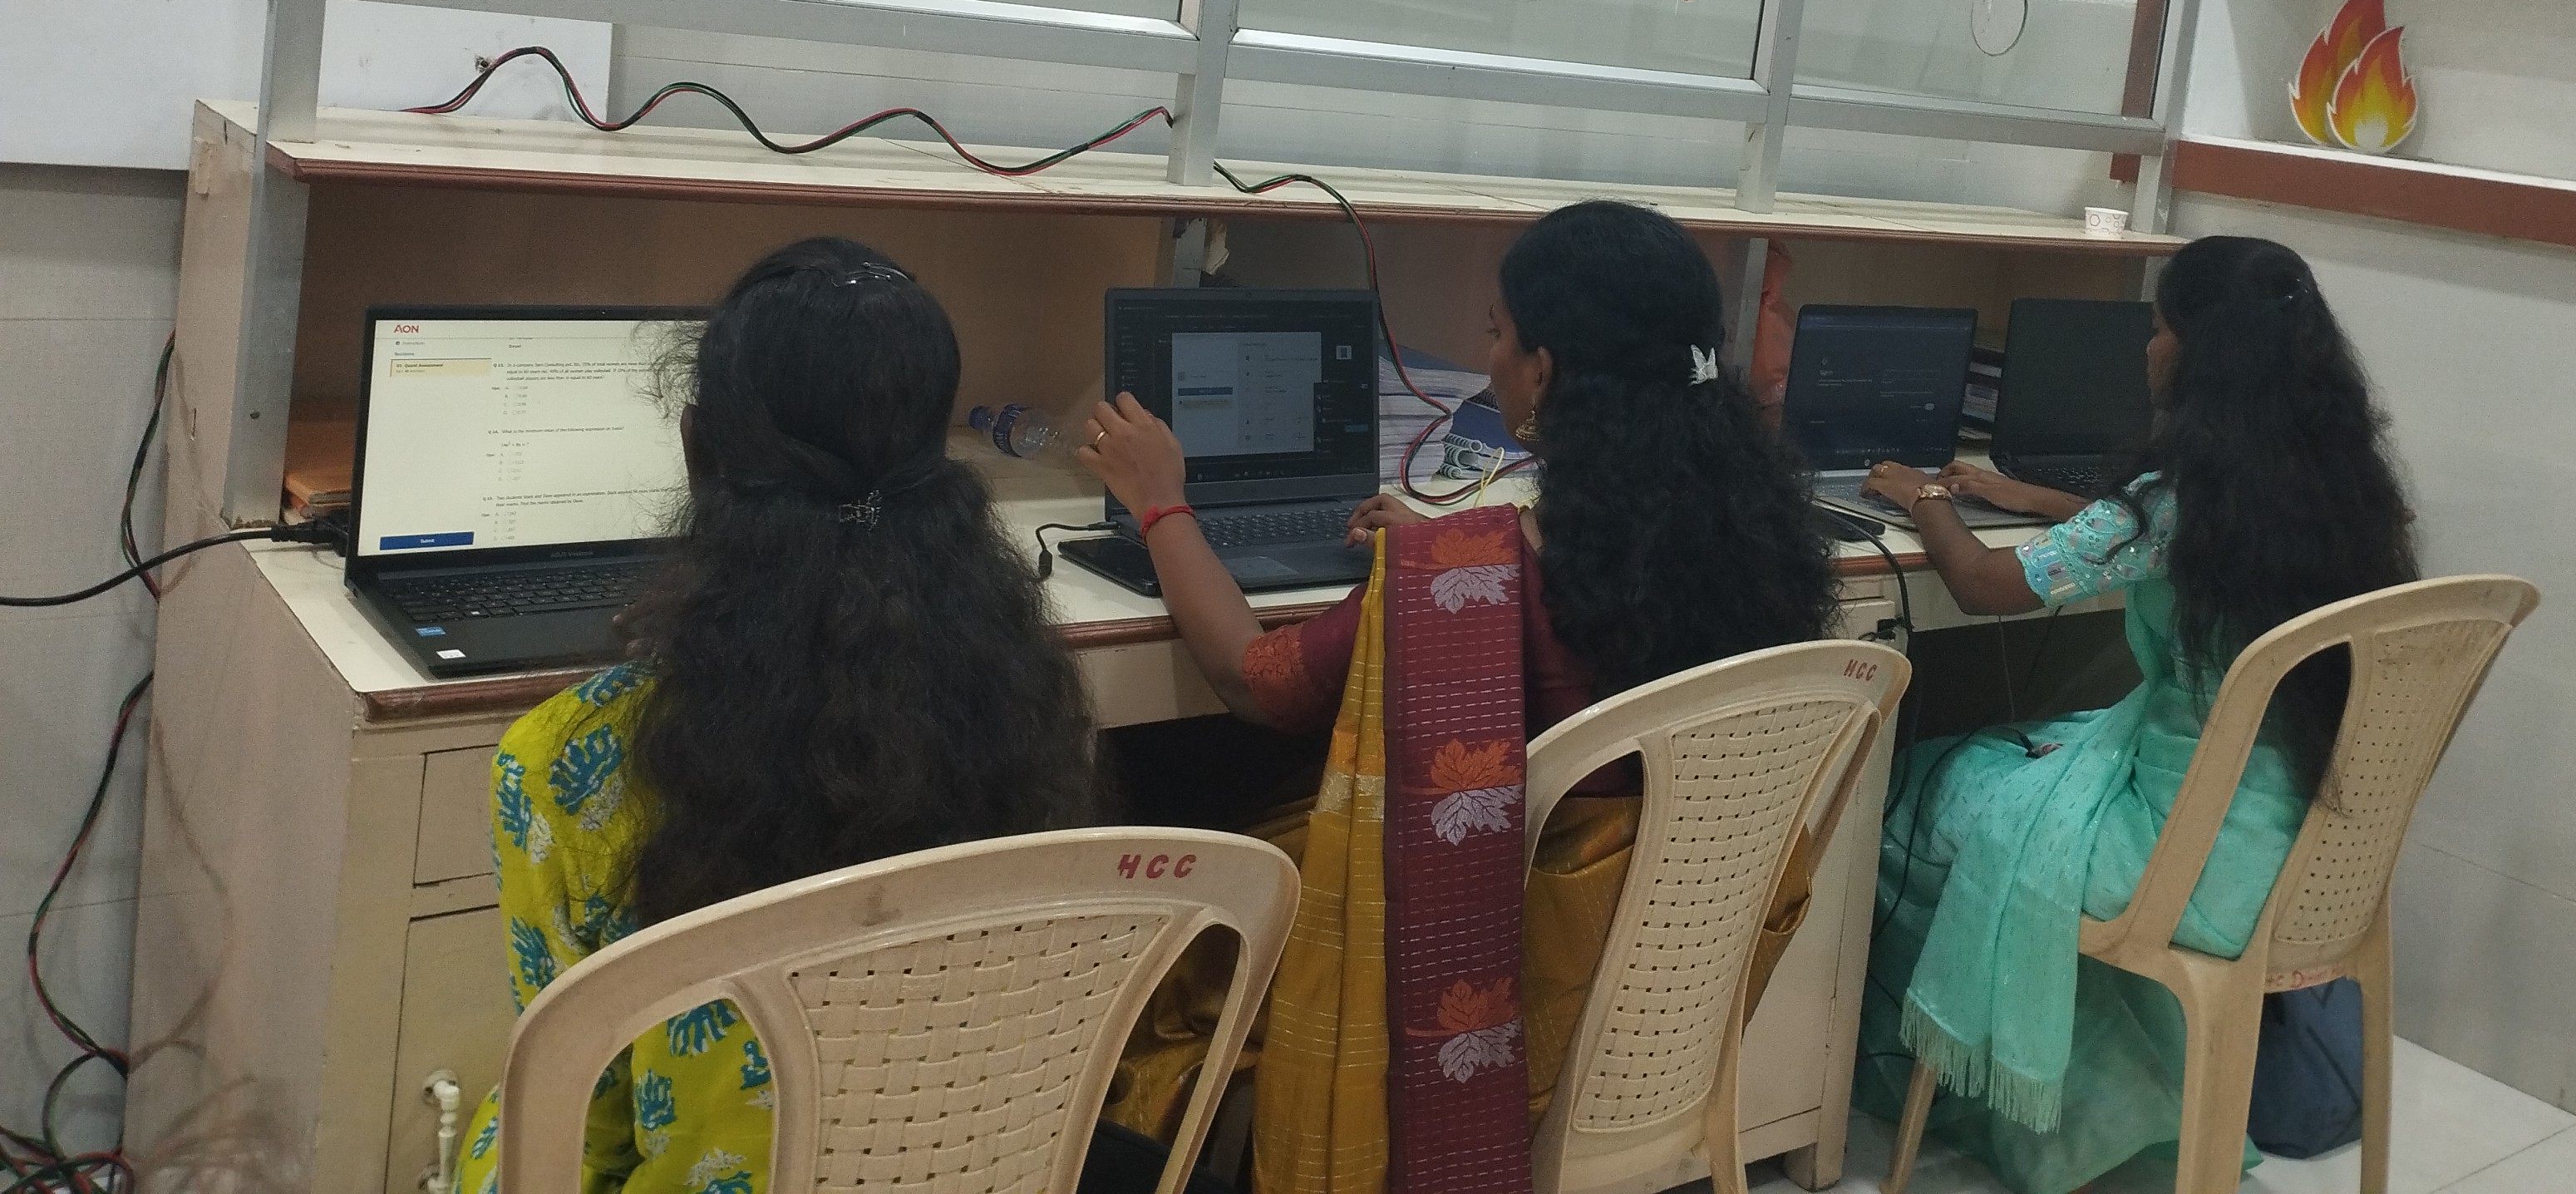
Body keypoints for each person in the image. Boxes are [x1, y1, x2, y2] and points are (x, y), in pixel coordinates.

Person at [1076, 200, 1841, 1194]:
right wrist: (1446, 548)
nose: (1488, 360)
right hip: (1644, 987)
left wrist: (1161, 503)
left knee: (1159, 778)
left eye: (1495, 332)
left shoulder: (1480, 573)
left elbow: (1252, 680)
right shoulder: (1762, 545)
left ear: (1544, 371)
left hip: (1487, 971)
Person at [454, 238, 1099, 1194]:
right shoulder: (1026, 701)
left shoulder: (569, 758)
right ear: (937, 455)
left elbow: (577, 1125)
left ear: (698, 451)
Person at [1852, 235, 2420, 1194]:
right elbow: (2149, 530)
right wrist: (2028, 496)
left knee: (1911, 786)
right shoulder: (2345, 487)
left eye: (2158, 328)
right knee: (2019, 756)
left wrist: (1930, 495)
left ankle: (1979, 1091)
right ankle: (2117, 1105)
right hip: (2308, 846)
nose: (2148, 348)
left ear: (2200, 350)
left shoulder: (2179, 500)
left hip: (2180, 857)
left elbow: (1985, 585)